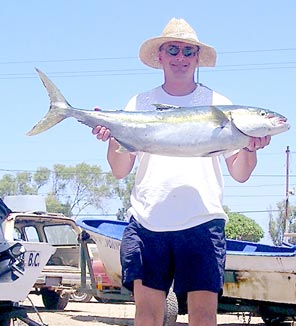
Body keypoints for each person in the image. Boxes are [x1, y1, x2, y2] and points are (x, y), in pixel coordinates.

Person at [92, 18, 271, 326]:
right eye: (173, 50)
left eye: (188, 52)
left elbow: (240, 173)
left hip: (202, 221)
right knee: (147, 315)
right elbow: (120, 169)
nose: (180, 58)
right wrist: (112, 136)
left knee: (203, 317)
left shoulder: (219, 105)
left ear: (197, 59)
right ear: (160, 56)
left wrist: (250, 147)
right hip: (148, 221)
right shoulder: (139, 103)